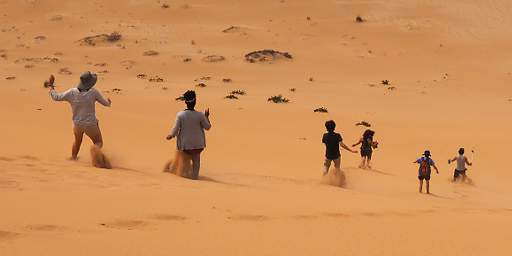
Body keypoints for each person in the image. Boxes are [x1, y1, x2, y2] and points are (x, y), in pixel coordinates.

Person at [46, 72, 112, 167]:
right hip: (91, 124)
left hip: (77, 124)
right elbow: (105, 103)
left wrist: (51, 86)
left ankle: (73, 158)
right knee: (99, 143)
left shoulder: (72, 92)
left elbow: (56, 97)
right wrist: (109, 103)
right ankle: (96, 157)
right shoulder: (93, 92)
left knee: (77, 141)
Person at [166, 90, 211, 180]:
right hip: (198, 145)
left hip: (185, 146)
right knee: (196, 162)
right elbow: (208, 127)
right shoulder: (200, 115)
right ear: (195, 102)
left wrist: (171, 135)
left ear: (185, 102)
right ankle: (195, 177)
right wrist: (206, 117)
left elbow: (176, 128)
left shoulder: (180, 115)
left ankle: (180, 175)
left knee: (182, 164)